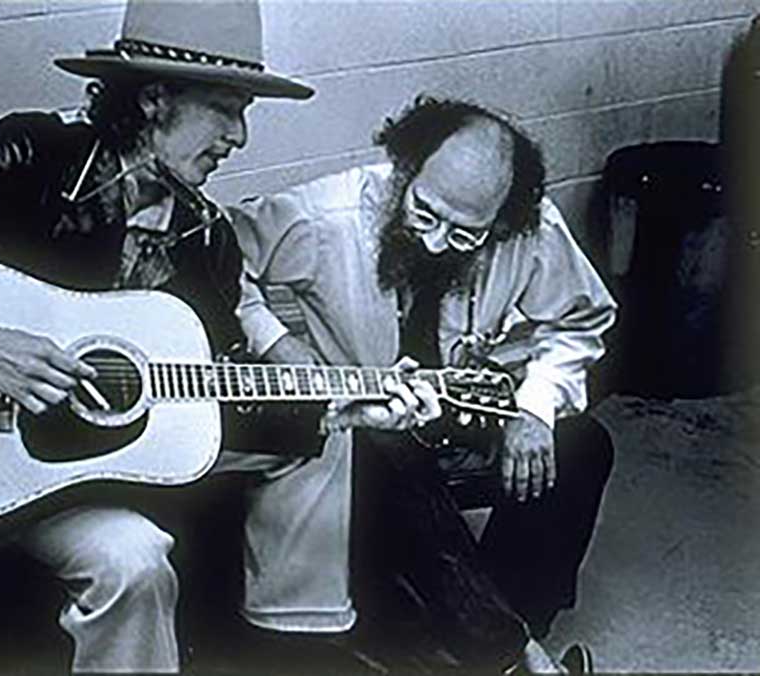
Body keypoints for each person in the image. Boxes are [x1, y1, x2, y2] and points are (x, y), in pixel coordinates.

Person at [0, 2, 438, 674]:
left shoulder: (205, 240)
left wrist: (327, 405)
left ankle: (291, 647)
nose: (239, 137)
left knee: (136, 560)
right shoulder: (31, 158)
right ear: (155, 99)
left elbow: (203, 396)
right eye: (225, 108)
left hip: (75, 475)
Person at [233, 95, 617, 673]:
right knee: (390, 451)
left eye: (466, 235)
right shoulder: (324, 213)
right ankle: (514, 660)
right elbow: (218, 263)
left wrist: (535, 407)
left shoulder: (527, 226)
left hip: (462, 405)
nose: (437, 243)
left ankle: (507, 628)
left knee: (584, 447)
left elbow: (581, 318)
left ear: (503, 218)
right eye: (425, 214)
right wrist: (279, 344)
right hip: (370, 430)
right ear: (405, 172)